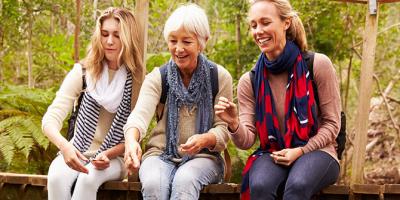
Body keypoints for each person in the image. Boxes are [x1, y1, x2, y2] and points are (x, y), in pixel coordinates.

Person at [215, 0, 341, 199]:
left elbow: (333, 124)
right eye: (254, 25)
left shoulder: (318, 65)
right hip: (273, 151)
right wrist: (233, 123)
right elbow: (247, 141)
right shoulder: (251, 81)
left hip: (319, 150)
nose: (258, 31)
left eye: (266, 22)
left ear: (286, 23)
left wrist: (300, 151)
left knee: (298, 185)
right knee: (260, 186)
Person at [123, 3, 232, 200]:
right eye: (173, 41)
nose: (178, 49)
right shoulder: (159, 77)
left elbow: (223, 130)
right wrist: (131, 141)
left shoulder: (220, 77)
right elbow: (139, 116)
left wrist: (204, 139)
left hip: (205, 157)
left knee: (185, 181)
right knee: (154, 185)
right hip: (160, 154)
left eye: (187, 42)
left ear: (202, 41)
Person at [42, 7, 144, 200]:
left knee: (87, 180)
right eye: (105, 34)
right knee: (56, 178)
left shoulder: (138, 82)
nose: (110, 41)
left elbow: (137, 134)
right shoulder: (83, 73)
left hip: (114, 158)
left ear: (128, 38)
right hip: (78, 150)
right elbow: (50, 119)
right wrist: (65, 147)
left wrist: (108, 153)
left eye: (117, 35)